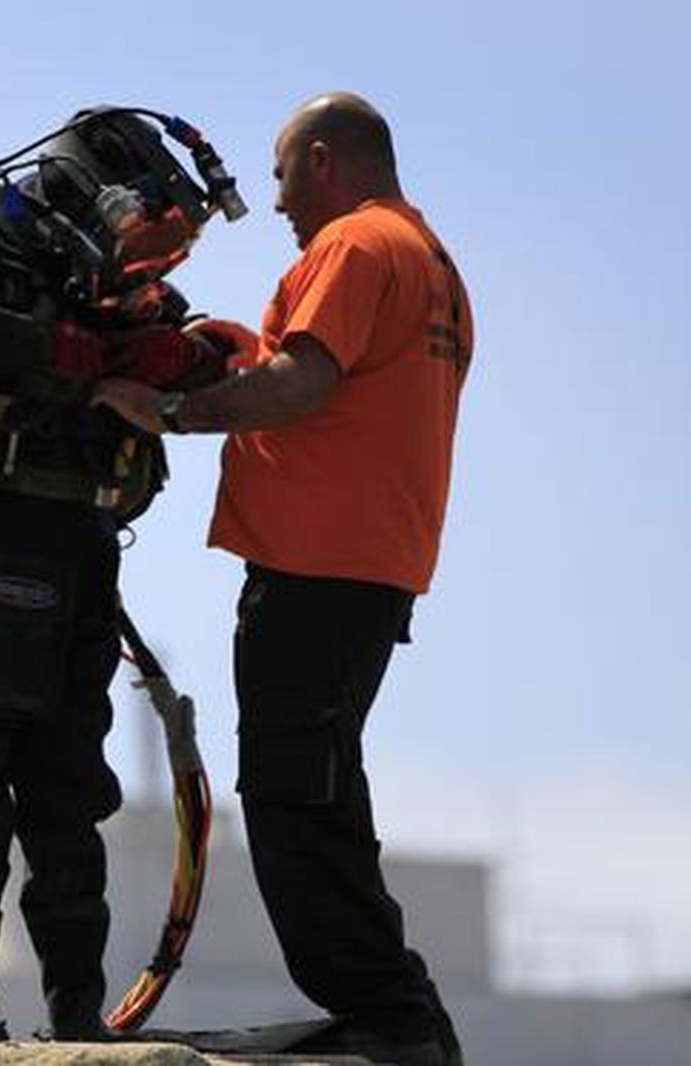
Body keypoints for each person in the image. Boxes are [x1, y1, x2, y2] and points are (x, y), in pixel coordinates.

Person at [93, 93, 472, 1066]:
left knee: (293, 794)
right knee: (324, 791)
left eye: (279, 175)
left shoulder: (352, 246)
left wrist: (166, 410)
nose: (274, 202)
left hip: (316, 565)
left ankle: (386, 1015)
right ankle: (403, 1015)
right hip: (374, 566)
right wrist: (234, 352)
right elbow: (351, 389)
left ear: (322, 159)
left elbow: (303, 387)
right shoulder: (432, 264)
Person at [0, 107, 240, 1040]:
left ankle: (76, 1010)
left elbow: (196, 355)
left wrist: (177, 355)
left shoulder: (103, 279)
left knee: (71, 786)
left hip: (78, 540)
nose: (151, 265)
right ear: (91, 192)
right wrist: (51, 352)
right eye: (146, 238)